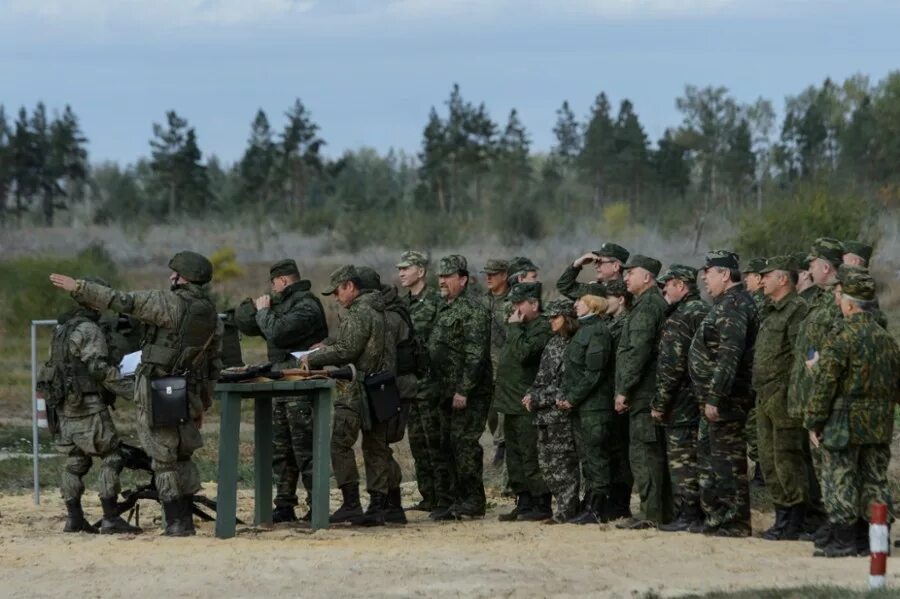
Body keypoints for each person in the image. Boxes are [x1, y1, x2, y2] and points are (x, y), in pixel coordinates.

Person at [51, 251, 223, 537]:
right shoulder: (211, 315)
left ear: (184, 279)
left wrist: (79, 287)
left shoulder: (166, 303)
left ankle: (176, 523)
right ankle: (185, 518)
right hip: (188, 390)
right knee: (183, 455)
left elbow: (122, 301)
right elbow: (214, 364)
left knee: (163, 459)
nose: (171, 277)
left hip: (157, 388)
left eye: (175, 274)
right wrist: (203, 403)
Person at [804, 268, 900, 557]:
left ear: (848, 304)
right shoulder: (886, 339)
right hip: (879, 422)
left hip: (843, 422)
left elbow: (826, 383)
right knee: (874, 479)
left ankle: (844, 540)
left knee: (840, 477)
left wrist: (813, 421)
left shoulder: (842, 338)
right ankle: (871, 540)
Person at [41, 278, 139, 535]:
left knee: (75, 461)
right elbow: (97, 368)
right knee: (113, 455)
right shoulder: (89, 329)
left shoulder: (62, 328)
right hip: (88, 405)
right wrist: (132, 390)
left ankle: (74, 519)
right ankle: (110, 517)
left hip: (64, 407)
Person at [235, 259, 328, 523]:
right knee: (281, 452)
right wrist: (251, 307)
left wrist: (264, 312)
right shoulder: (280, 305)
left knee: (305, 449)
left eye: (274, 282)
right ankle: (284, 504)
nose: (272, 288)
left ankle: (317, 504)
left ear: (284, 281)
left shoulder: (307, 305)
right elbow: (246, 324)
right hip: (280, 384)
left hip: (300, 385)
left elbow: (278, 333)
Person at [304, 265, 396, 526]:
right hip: (381, 387)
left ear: (350, 287)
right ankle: (379, 505)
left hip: (357, 388)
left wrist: (313, 358)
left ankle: (351, 502)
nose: (336, 297)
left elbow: (348, 350)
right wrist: (330, 345)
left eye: (337, 291)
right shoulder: (380, 309)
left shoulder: (359, 312)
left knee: (340, 444)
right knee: (376, 446)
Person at [688, 250, 759, 537]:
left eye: (710, 272)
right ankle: (717, 517)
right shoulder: (723, 304)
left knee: (727, 461)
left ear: (726, 274)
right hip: (712, 399)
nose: (705, 277)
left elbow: (730, 356)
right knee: (711, 459)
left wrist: (716, 396)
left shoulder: (734, 306)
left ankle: (734, 520)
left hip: (726, 400)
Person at [788, 237, 844, 545]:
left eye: (811, 265)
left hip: (830, 398)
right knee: (817, 466)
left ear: (825, 266)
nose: (807, 271)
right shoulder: (820, 299)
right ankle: (827, 519)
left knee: (833, 467)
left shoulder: (838, 300)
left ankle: (838, 523)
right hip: (812, 395)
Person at [428, 255, 493, 520]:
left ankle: (474, 501)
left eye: (448, 276)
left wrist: (464, 389)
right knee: (446, 444)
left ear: (463, 279)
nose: (442, 281)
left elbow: (476, 354)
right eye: (440, 276)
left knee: (464, 444)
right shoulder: (443, 308)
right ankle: (454, 500)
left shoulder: (473, 310)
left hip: (468, 393)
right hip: (444, 390)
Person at [752, 255, 809, 540]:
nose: (762, 280)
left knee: (787, 459)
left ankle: (795, 520)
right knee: (768, 459)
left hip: (784, 397)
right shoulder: (771, 310)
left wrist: (793, 396)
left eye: (767, 275)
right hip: (764, 396)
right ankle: (782, 516)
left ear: (783, 278)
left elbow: (802, 357)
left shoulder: (797, 310)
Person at [614, 255, 672, 529]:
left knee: (645, 453)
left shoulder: (648, 306)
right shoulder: (645, 304)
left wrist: (624, 389)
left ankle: (652, 514)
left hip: (643, 392)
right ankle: (658, 511)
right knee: (647, 451)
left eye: (631, 273)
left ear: (647, 277)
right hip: (644, 391)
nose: (625, 278)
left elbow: (638, 352)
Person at [652, 265, 709, 533]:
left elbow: (672, 366)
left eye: (669, 284)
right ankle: (692, 512)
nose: (664, 289)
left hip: (682, 401)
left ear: (682, 285)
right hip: (695, 397)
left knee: (682, 459)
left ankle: (689, 514)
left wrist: (660, 403)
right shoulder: (701, 310)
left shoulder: (684, 315)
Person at [495, 281, 554, 522]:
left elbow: (523, 354)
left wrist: (515, 329)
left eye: (519, 303)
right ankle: (524, 500)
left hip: (527, 403)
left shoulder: (541, 328)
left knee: (531, 454)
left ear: (534, 304)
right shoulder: (520, 326)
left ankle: (541, 502)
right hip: (510, 402)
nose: (515, 308)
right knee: (515, 456)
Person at [397, 251, 450, 513]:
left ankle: (444, 498)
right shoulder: (402, 305)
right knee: (418, 443)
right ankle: (428, 496)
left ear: (421, 271)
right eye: (400, 269)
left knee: (436, 443)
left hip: (432, 383)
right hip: (411, 385)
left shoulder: (437, 302)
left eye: (406, 268)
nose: (401, 273)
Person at [523, 298, 581, 523]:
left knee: (563, 465)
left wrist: (538, 399)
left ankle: (567, 510)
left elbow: (566, 385)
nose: (551, 321)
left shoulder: (575, 344)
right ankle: (562, 508)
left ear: (567, 318)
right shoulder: (553, 343)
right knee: (547, 464)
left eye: (555, 317)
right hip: (544, 415)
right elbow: (541, 378)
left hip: (562, 415)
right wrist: (531, 394)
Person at [563, 294, 616, 524]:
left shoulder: (597, 332)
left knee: (596, 457)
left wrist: (572, 398)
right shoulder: (584, 330)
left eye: (581, 301)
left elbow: (594, 373)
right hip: (582, 407)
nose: (576, 304)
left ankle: (597, 508)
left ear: (592, 304)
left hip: (594, 407)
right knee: (588, 456)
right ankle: (590, 503)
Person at [603, 279, 634, 520]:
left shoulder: (626, 323)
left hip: (621, 395)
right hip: (610, 394)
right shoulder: (611, 322)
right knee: (612, 449)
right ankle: (613, 499)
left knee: (621, 451)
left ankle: (621, 502)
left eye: (609, 297)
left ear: (621, 299)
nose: (605, 302)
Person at [480, 258, 511, 471]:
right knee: (490, 413)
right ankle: (499, 441)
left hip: (505, 368)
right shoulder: (482, 302)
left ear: (505, 275)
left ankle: (502, 448)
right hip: (485, 369)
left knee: (503, 412)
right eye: (487, 274)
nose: (489, 277)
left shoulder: (512, 302)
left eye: (493, 273)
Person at [741, 257, 769, 487]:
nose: (745, 280)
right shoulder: (758, 302)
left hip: (756, 374)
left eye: (748, 275)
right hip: (756, 373)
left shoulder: (757, 303)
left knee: (755, 426)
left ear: (758, 278)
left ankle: (762, 475)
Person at [556, 242, 629, 300]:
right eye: (596, 261)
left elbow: (564, 286)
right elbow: (563, 286)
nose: (596, 265)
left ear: (615, 266)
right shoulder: (628, 288)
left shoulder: (598, 290)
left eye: (600, 261)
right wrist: (576, 264)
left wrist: (576, 264)